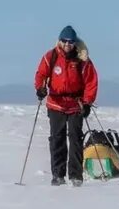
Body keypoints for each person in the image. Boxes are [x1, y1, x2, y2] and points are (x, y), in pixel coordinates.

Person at [33, 25, 98, 186]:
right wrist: (40, 88)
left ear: (75, 42)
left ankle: (76, 176)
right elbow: (41, 74)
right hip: (56, 104)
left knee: (75, 139)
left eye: (71, 41)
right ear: (60, 41)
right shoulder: (51, 56)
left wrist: (87, 102)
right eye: (64, 41)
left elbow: (91, 81)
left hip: (76, 105)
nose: (68, 44)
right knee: (57, 139)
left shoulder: (82, 60)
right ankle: (58, 175)